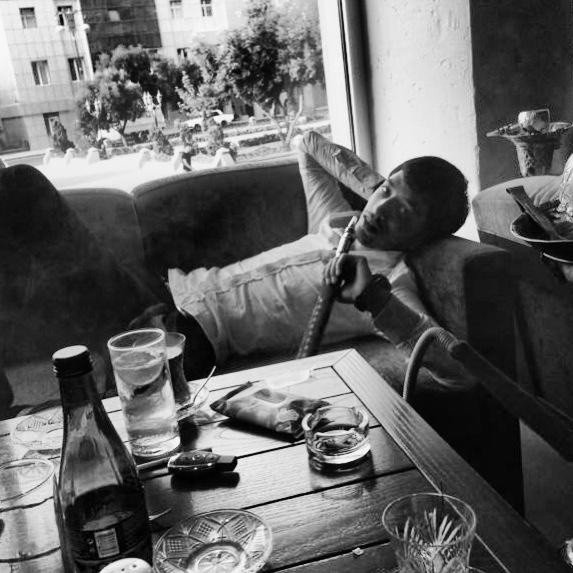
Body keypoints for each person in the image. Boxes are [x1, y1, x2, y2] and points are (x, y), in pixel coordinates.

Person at [167, 131, 470, 388]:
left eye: (404, 211)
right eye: (385, 192)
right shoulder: (333, 217)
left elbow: (459, 374)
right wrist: (377, 187)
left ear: (422, 238)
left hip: (200, 337)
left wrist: (376, 300)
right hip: (173, 290)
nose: (380, 210)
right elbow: (308, 144)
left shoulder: (388, 283)